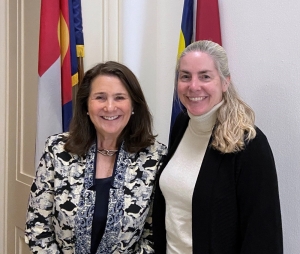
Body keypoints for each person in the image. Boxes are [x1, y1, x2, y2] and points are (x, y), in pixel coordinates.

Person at [152, 40, 283, 253]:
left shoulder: (249, 145)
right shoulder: (182, 124)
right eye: (185, 76)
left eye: (205, 76)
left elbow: (263, 238)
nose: (193, 86)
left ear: (225, 82)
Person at [25, 61, 167, 253]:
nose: (109, 107)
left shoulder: (154, 158)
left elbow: (154, 236)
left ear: (133, 105)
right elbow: (37, 226)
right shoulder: (57, 149)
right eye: (100, 97)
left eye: (119, 98)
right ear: (86, 105)